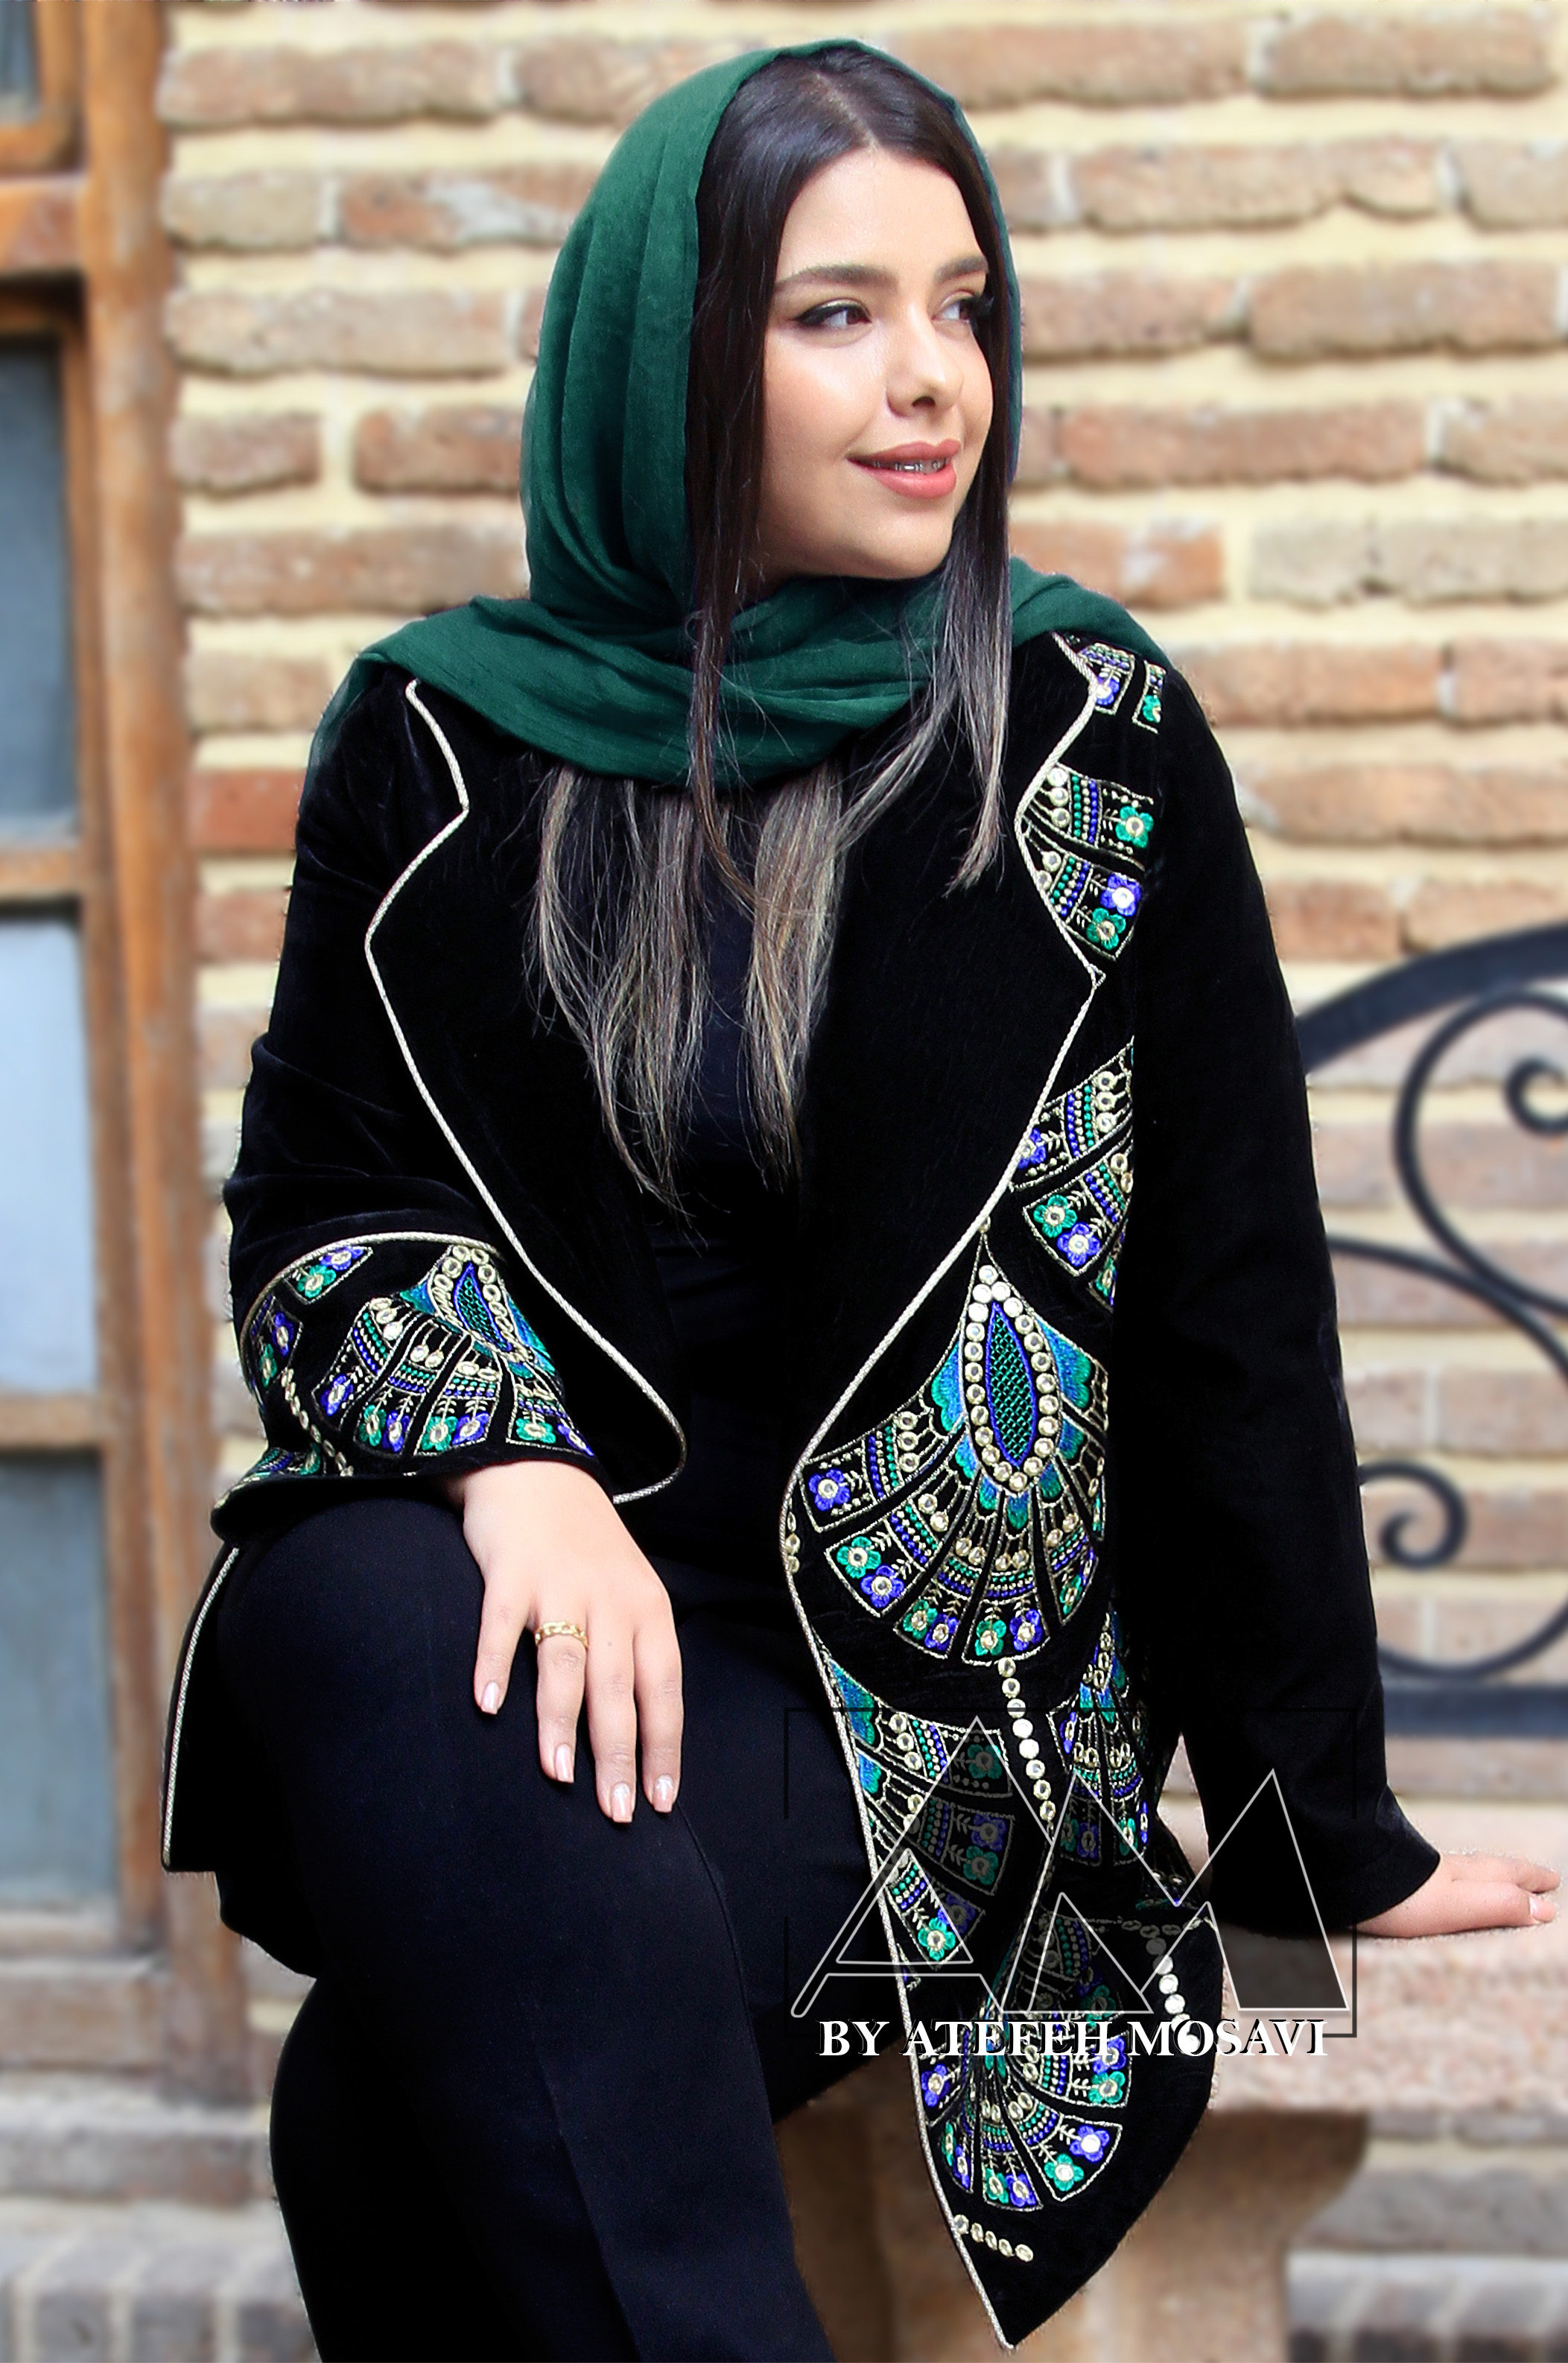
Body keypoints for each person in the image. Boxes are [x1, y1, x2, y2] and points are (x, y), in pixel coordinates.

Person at [161, 39, 1558, 2361]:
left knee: (381, 2104)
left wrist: (1318, 1832)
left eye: (962, 308)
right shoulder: (436, 739)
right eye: (835, 315)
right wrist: (511, 1461)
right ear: (669, 357)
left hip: (908, 1712)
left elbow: (1229, 1298)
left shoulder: (1083, 732)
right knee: (372, 1596)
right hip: (526, 1625)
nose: (931, 382)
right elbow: (321, 1209)